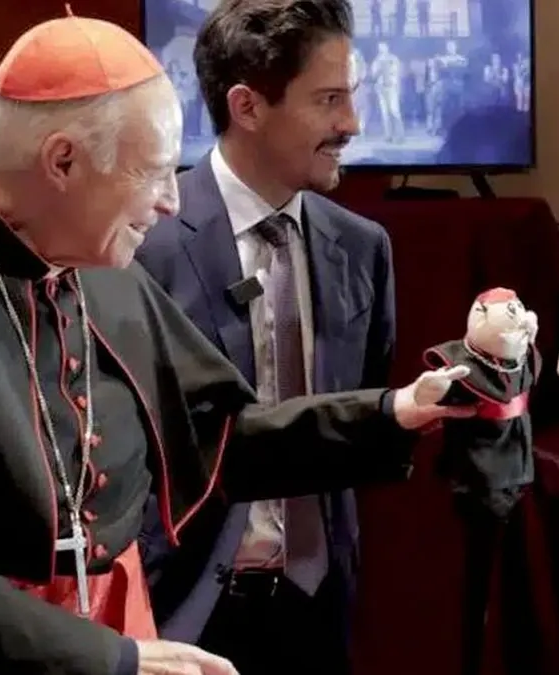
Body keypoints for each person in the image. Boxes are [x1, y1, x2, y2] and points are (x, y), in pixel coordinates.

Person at [0, 12, 473, 675]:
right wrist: (109, 659)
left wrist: (395, 411)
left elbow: (218, 442)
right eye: (152, 172)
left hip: (111, 637)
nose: (171, 201)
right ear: (62, 161)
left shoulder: (103, 267)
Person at [134, 1, 396, 673]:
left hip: (320, 609)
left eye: (351, 96)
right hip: (184, 614)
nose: (352, 124)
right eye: (329, 100)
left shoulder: (363, 248)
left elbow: (361, 430)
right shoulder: (144, 248)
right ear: (247, 106)